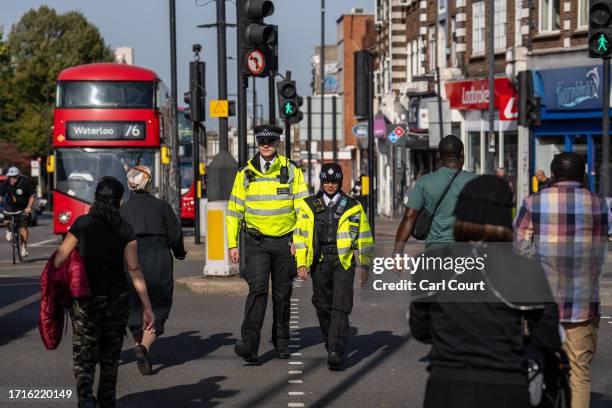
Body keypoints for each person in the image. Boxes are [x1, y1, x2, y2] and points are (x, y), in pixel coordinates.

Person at [410, 175, 562, 408]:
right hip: (506, 386)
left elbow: (420, 330)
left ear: (460, 213)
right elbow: (548, 335)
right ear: (505, 217)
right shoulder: (525, 269)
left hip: (446, 385)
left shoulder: (431, 263)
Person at [515, 152, 609, 408]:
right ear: (583, 175)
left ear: (554, 175)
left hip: (541, 304)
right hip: (583, 303)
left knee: (537, 368)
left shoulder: (533, 202)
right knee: (579, 373)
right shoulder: (600, 204)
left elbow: (519, 249)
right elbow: (599, 252)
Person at [53, 177, 155, 408]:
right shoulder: (125, 229)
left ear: (95, 198)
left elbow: (60, 259)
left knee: (84, 355)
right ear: (119, 201)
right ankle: (106, 402)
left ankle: (86, 399)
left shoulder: (82, 224)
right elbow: (134, 269)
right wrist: (147, 306)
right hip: (116, 300)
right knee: (110, 360)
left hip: (86, 301)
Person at [226, 124, 309, 363]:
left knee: (282, 295)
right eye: (261, 141)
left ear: (278, 143)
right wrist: (232, 244)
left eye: (270, 142)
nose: (265, 145)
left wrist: (299, 241)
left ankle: (281, 342)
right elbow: (234, 211)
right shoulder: (245, 173)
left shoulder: (291, 170)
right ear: (257, 142)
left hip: (285, 243)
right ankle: (249, 345)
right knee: (257, 291)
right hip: (257, 242)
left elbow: (303, 210)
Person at [293, 163, 373, 370]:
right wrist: (301, 262)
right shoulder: (309, 205)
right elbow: (300, 236)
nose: (330, 185)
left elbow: (364, 236)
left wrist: (365, 264)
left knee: (341, 305)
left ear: (340, 182)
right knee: (322, 304)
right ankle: (331, 338)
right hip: (319, 261)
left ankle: (336, 349)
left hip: (343, 261)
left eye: (334, 181)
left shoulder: (353, 206)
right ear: (321, 181)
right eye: (327, 181)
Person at [120, 165, 186, 375]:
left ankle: (140, 344)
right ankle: (145, 347)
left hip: (131, 259)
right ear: (148, 183)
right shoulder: (162, 206)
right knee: (159, 303)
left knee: (135, 305)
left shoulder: (123, 210)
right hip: (159, 258)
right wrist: (180, 252)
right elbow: (175, 235)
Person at [394, 135, 477, 251]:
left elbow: (409, 218)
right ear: (462, 155)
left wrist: (398, 253)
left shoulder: (424, 182)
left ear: (438, 156)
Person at [0, 167, 36, 257]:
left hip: (23, 207)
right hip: (11, 206)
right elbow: (1, 195)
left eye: (14, 177)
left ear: (18, 176)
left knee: (23, 228)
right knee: (6, 221)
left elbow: (32, 195)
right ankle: (9, 230)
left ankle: (24, 247)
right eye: (10, 177)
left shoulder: (25, 183)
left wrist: (29, 207)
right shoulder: (6, 183)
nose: (12, 179)